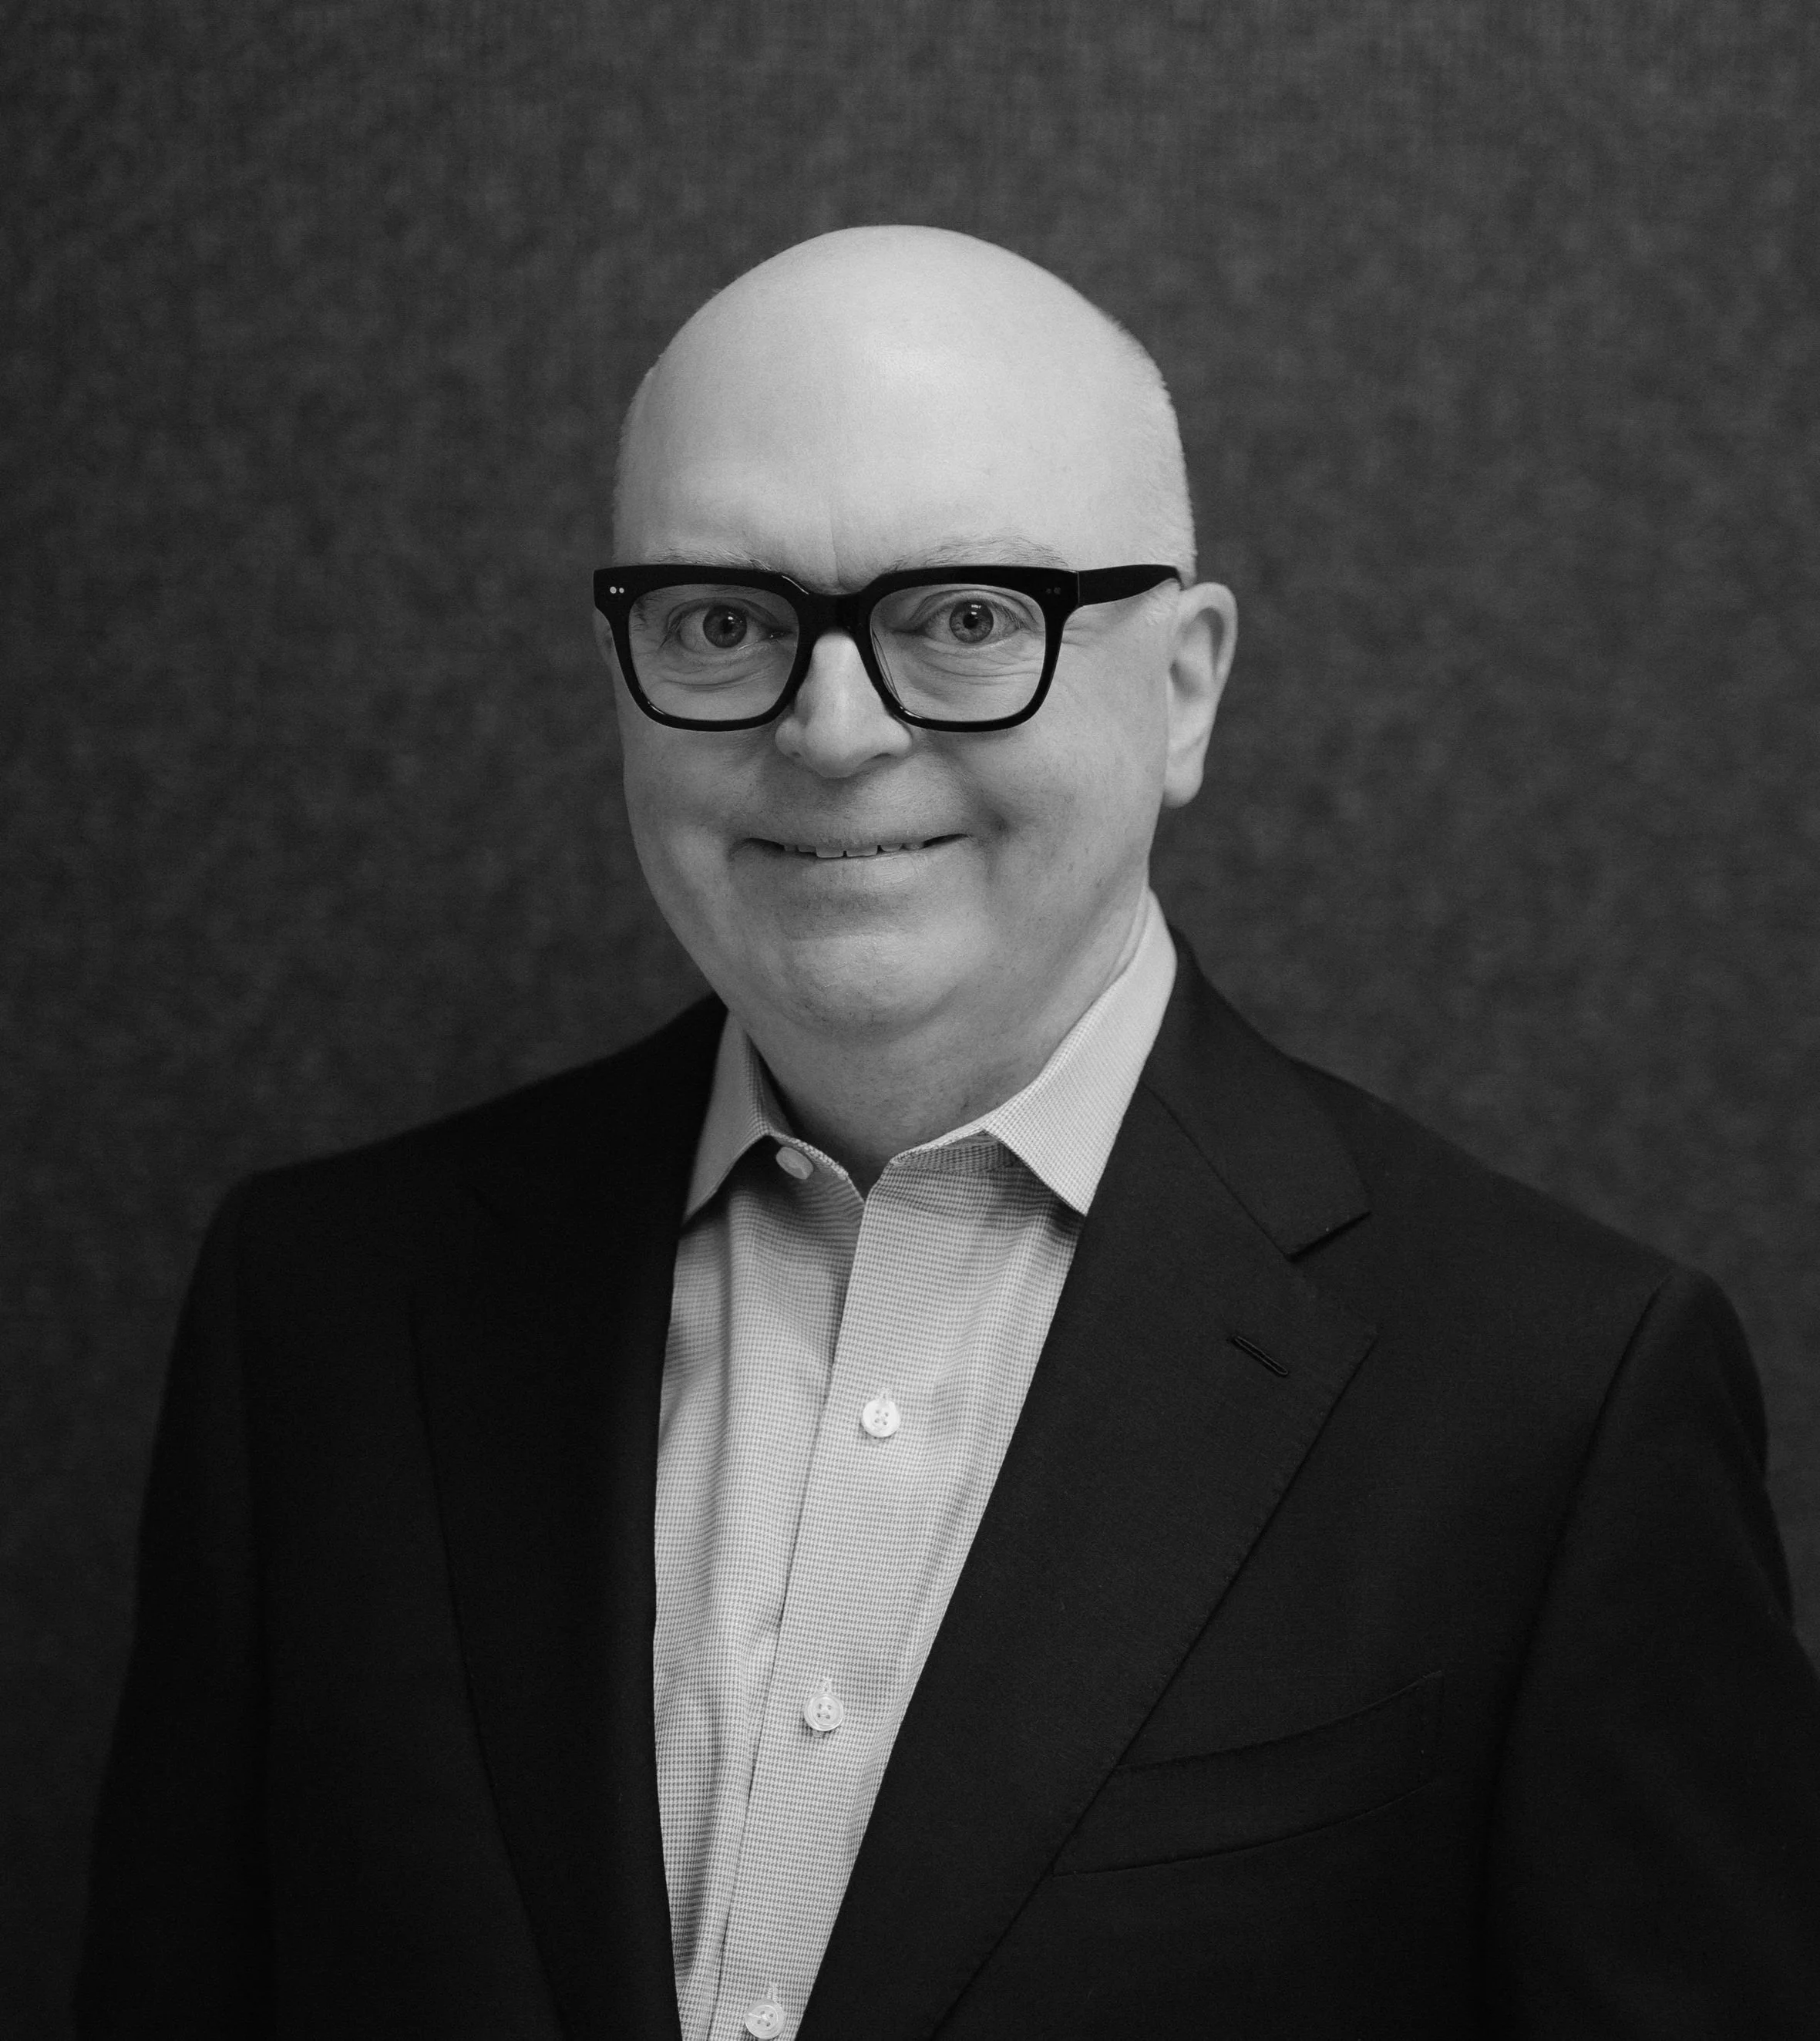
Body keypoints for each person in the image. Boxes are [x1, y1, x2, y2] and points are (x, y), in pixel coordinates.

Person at [77, 226, 1820, 2039]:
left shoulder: (1551, 1398)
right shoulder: (321, 1315)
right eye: (727, 624)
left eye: (968, 618)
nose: (835, 730)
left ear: (1188, 687)